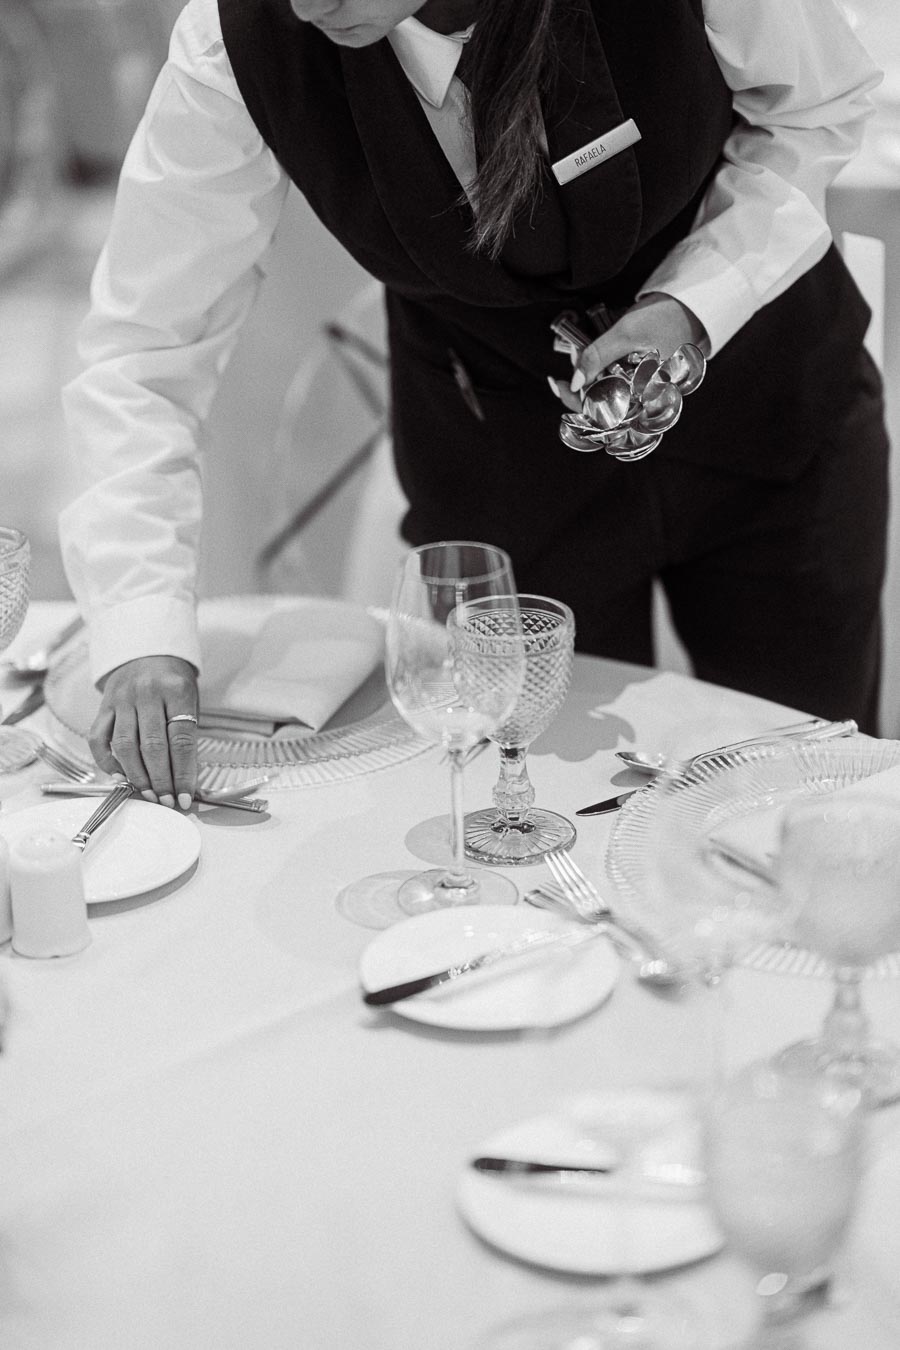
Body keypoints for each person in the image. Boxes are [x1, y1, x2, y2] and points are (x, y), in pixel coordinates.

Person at [59, 0, 889, 810]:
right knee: (531, 822)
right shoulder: (237, 44)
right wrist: (143, 630)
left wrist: (697, 301)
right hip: (498, 474)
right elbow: (146, 345)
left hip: (773, 424)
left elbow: (816, 109)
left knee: (807, 805)